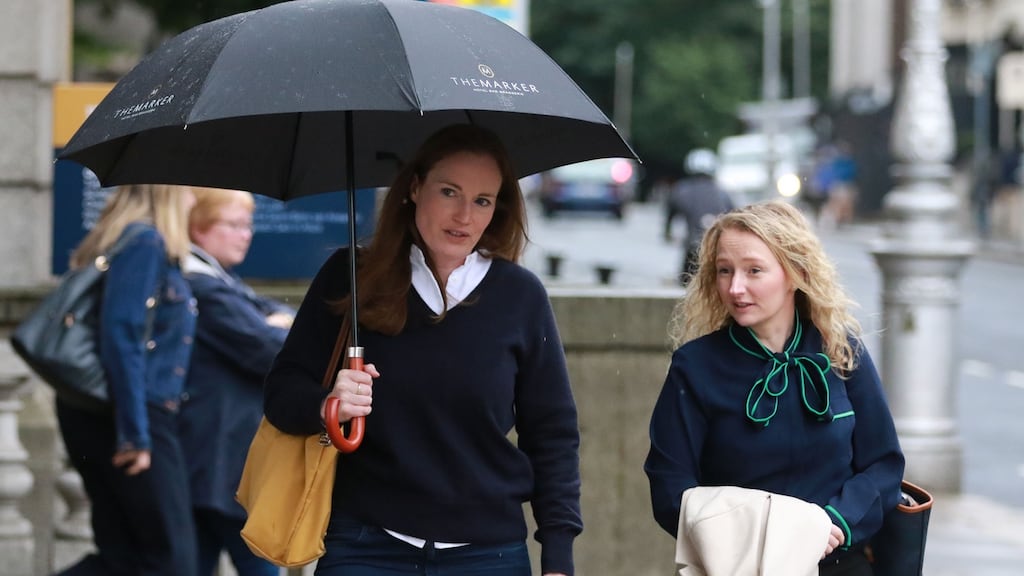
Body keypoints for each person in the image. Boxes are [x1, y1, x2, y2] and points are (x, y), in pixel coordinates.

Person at [263, 124, 581, 576]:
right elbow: (280, 395)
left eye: (482, 200)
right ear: (414, 188)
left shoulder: (520, 296)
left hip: (487, 554)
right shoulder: (350, 277)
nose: (464, 215)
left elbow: (552, 433)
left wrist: (558, 554)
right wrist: (328, 402)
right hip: (364, 546)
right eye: (449, 191)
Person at [644, 201, 905, 575]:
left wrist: (835, 524)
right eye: (724, 271)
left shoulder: (842, 351)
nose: (735, 288)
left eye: (754, 271)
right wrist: (763, 536)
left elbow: (883, 464)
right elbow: (670, 486)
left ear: (795, 273)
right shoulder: (695, 365)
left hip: (838, 564)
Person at [56, 184, 199, 576]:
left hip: (114, 412)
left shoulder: (125, 240)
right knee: (172, 561)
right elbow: (123, 336)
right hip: (137, 415)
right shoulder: (145, 243)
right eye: (187, 188)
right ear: (168, 193)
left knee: (124, 558)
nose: (194, 198)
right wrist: (135, 436)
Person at [180, 188, 294, 576]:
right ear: (199, 228)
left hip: (216, 464)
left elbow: (278, 312)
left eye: (247, 225)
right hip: (219, 463)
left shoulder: (221, 280)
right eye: (233, 225)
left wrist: (275, 319)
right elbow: (269, 348)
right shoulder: (202, 285)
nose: (246, 234)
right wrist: (276, 324)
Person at [664, 148, 734, 285]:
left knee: (685, 282)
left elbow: (670, 215)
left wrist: (667, 233)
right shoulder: (722, 192)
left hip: (692, 245)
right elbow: (734, 216)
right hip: (717, 245)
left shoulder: (681, 190)